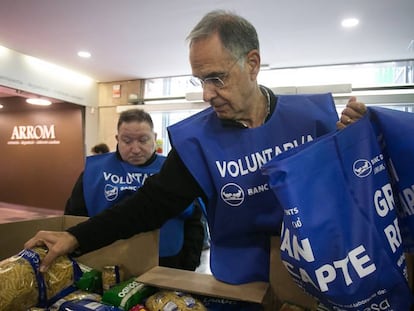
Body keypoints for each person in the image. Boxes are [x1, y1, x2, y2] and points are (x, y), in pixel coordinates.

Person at [25, 10, 366, 285]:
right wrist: (75, 238)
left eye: (216, 78)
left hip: (321, 274)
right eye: (200, 80)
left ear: (252, 63)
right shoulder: (197, 142)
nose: (206, 94)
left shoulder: (314, 119)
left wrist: (355, 143)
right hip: (239, 281)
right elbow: (147, 206)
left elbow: (352, 194)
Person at [64, 108, 204, 271]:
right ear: (117, 139)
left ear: (155, 138)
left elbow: (194, 220)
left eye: (143, 140)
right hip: (108, 261)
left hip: (168, 260)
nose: (135, 149)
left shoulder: (174, 171)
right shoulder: (94, 172)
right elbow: (74, 216)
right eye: (127, 141)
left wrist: (189, 262)